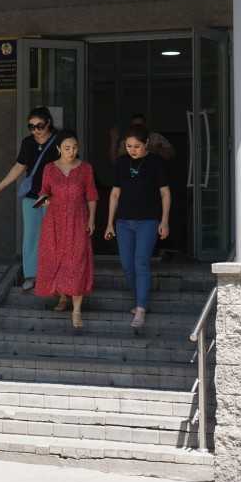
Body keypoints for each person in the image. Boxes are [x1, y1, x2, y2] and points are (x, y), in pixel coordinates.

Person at [104, 125, 171, 330]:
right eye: (129, 146)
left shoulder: (155, 162)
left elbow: (165, 193)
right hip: (123, 222)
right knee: (127, 264)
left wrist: (164, 221)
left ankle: (140, 308)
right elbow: (115, 194)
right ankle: (139, 299)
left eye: (137, 146)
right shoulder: (121, 163)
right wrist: (109, 223)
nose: (132, 150)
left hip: (148, 221)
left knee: (141, 262)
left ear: (146, 144)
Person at [0, 107, 59, 291]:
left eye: (39, 126)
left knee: (53, 235)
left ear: (48, 123)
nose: (36, 130)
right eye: (31, 127)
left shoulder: (59, 140)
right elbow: (19, 166)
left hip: (54, 196)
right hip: (34, 196)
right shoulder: (28, 142)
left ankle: (52, 274)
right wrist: (2, 185)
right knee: (31, 235)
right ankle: (31, 275)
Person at [34, 131, 98, 330]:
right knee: (56, 259)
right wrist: (44, 200)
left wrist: (92, 220)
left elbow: (92, 196)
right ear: (59, 148)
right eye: (67, 148)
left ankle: (76, 310)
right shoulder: (49, 168)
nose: (71, 151)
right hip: (54, 221)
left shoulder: (85, 168)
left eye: (75, 147)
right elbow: (44, 191)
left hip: (78, 220)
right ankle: (63, 296)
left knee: (77, 261)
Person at [109, 113, 175, 162]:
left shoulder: (156, 137)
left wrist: (153, 149)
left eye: (140, 125)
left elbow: (171, 156)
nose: (137, 129)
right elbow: (115, 162)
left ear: (145, 126)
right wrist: (114, 141)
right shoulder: (126, 141)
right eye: (135, 126)